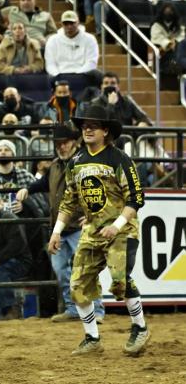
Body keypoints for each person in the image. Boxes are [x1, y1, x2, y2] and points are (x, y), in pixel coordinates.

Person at [51, 105, 149, 356]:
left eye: (93, 125)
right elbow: (69, 201)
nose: (87, 129)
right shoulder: (76, 162)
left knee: (119, 281)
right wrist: (57, 231)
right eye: (84, 126)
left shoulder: (119, 159)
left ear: (106, 131)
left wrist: (116, 226)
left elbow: (136, 198)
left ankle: (140, 328)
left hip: (123, 230)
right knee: (77, 284)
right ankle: (92, 337)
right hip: (93, 231)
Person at [17, 124, 106, 324]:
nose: (61, 147)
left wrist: (93, 215)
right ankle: (73, 308)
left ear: (73, 142)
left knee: (85, 269)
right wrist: (28, 189)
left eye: (64, 143)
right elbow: (43, 184)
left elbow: (100, 190)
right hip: (61, 228)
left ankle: (97, 310)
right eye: (58, 144)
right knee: (63, 270)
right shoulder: (56, 166)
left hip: (76, 227)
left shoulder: (84, 163)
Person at [45, 10, 101, 87]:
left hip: (83, 75)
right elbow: (50, 63)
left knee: (97, 74)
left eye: (72, 23)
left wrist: (77, 76)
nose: (69, 26)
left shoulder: (90, 39)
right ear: (61, 24)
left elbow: (92, 62)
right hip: (59, 76)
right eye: (66, 24)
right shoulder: (52, 40)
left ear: (78, 23)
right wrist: (58, 75)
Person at [151, 3, 184, 74]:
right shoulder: (156, 26)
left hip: (177, 52)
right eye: (166, 12)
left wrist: (176, 41)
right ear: (162, 13)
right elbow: (157, 39)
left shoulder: (178, 26)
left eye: (170, 12)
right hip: (162, 55)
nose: (168, 13)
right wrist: (169, 43)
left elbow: (181, 37)